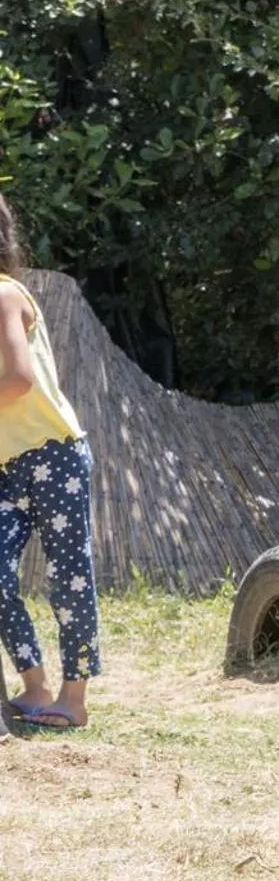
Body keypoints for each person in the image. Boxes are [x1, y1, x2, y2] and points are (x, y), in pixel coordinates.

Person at [0, 194, 101, 731]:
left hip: (52, 454)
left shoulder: (3, 295)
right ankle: (35, 685)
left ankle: (74, 699)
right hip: (6, 465)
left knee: (69, 578)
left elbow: (19, 380)